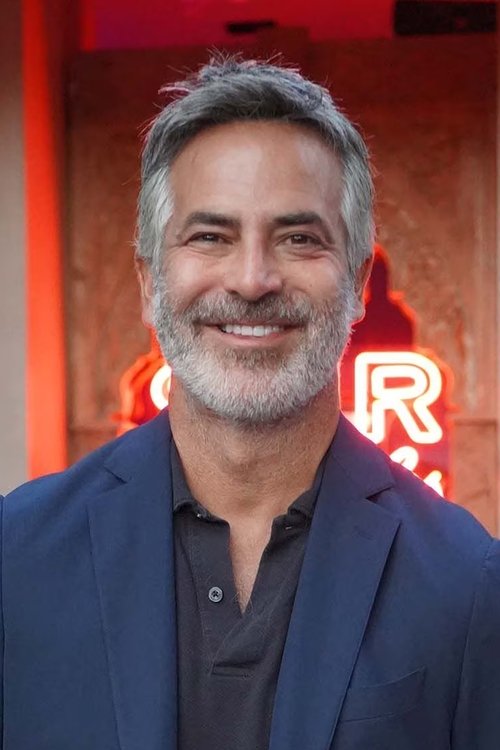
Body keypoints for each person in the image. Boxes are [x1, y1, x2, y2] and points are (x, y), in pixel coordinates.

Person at [2, 57, 499, 750]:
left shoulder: (466, 580)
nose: (253, 279)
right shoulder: (17, 557)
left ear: (359, 282)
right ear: (148, 282)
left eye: (299, 239)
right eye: (211, 236)